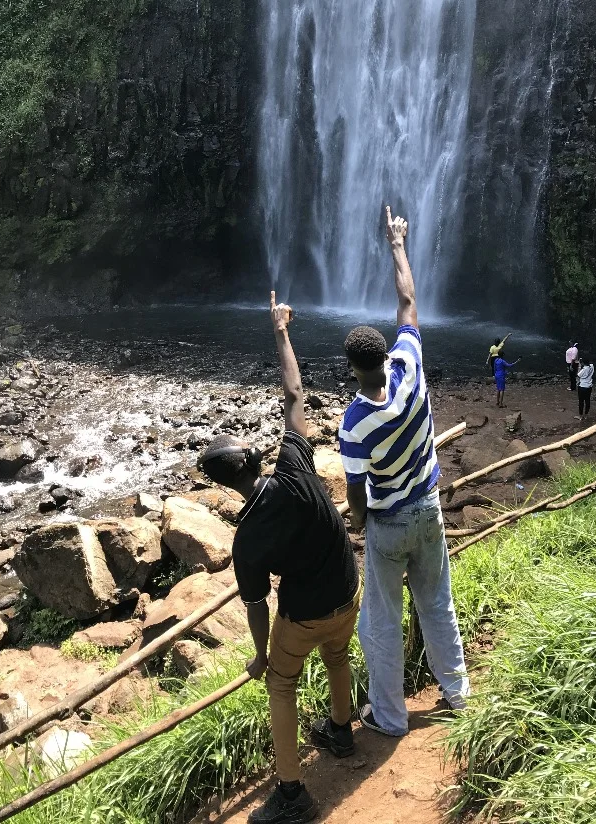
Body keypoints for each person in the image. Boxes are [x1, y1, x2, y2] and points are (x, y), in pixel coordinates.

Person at [199, 291, 360, 824]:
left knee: (281, 685)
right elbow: (294, 393)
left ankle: (292, 794)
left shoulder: (246, 539)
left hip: (309, 612)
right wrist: (281, 330)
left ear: (225, 487)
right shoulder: (293, 462)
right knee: (338, 656)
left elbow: (255, 605)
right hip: (349, 590)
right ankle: (341, 731)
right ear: (252, 458)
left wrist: (262, 654)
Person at [339, 205, 470, 738]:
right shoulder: (410, 367)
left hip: (388, 524)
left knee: (380, 623)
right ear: (385, 355)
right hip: (430, 508)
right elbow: (409, 302)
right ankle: (458, 693)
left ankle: (390, 718)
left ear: (352, 367)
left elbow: (355, 492)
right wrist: (397, 242)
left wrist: (357, 522)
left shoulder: (354, 423)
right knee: (437, 604)